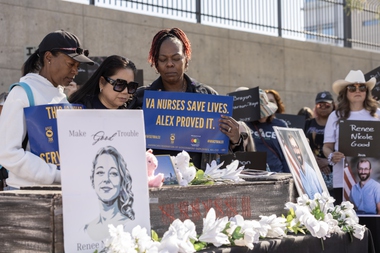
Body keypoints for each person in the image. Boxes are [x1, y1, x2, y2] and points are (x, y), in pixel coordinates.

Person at [127, 27, 242, 169]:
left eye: (176, 58)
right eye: (163, 59)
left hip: (199, 184)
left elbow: (227, 157)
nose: (170, 64)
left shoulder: (208, 96)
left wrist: (235, 140)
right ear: (156, 63)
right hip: (156, 184)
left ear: (186, 59)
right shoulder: (140, 98)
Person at [0, 30, 94, 189]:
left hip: (61, 191)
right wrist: (57, 175)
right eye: (71, 64)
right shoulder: (22, 93)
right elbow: (8, 153)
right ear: (49, 57)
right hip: (25, 196)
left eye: (77, 66)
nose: (75, 71)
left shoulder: (61, 97)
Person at [323, 70, 380, 204]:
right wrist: (332, 156)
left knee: (372, 222)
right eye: (352, 88)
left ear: (366, 91)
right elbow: (327, 147)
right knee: (345, 221)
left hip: (375, 179)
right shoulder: (335, 115)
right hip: (342, 179)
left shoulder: (377, 114)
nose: (357, 91)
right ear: (345, 92)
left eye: (362, 87)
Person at [84, 146, 135, 241]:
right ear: (92, 180)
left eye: (113, 173)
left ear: (122, 181)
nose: (106, 179)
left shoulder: (131, 227)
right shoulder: (85, 230)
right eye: (100, 172)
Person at [245, 89, 290, 173]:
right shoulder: (246, 125)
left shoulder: (280, 125)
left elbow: (286, 154)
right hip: (252, 172)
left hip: (277, 172)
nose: (262, 116)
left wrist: (289, 175)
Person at [69, 55, 138, 109]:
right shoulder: (79, 110)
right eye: (119, 84)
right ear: (102, 82)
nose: (125, 91)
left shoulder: (133, 113)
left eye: (131, 86)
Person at [304, 91, 335, 194]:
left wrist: (328, 161)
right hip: (312, 168)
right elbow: (303, 143)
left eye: (327, 105)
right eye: (319, 104)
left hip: (333, 169)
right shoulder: (308, 123)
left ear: (333, 105)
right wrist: (315, 160)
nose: (323, 107)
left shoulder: (338, 123)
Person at [287, 132, 324, 199]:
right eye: (292, 148)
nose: (296, 151)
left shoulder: (311, 171)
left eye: (297, 147)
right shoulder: (293, 169)